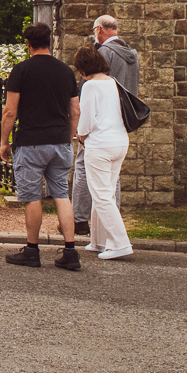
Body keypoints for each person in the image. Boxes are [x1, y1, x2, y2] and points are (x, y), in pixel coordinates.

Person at [0, 23, 81, 270]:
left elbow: (10, 111)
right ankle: (70, 250)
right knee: (61, 195)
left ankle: (32, 250)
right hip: (59, 142)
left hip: (31, 142)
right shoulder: (65, 71)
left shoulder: (21, 70)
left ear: (28, 44)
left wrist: (4, 141)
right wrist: (69, 135)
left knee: (32, 196)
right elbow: (75, 110)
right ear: (50, 41)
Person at [71, 14, 139, 235]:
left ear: (99, 30)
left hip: (98, 127)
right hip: (119, 124)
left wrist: (81, 130)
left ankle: (80, 219)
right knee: (112, 177)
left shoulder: (103, 53)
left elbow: (88, 89)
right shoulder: (132, 55)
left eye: (94, 31)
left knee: (82, 167)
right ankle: (111, 219)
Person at [73, 43, 133, 259]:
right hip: (119, 142)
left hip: (99, 145)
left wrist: (80, 135)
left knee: (101, 196)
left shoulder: (89, 86)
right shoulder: (112, 83)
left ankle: (120, 243)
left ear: (83, 68)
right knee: (105, 192)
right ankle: (98, 241)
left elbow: (87, 120)